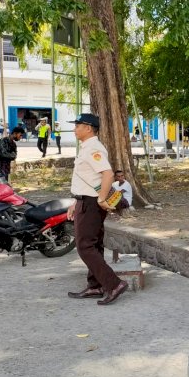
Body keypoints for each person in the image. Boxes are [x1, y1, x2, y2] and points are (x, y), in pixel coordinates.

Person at [67, 113, 129, 306]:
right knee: (94, 244)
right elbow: (87, 179)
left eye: (78, 125)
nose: (75, 128)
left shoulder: (93, 148)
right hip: (84, 200)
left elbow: (108, 174)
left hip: (91, 203)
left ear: (88, 127)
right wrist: (75, 201)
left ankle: (114, 284)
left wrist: (102, 198)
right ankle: (96, 285)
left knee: (84, 246)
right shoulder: (87, 147)